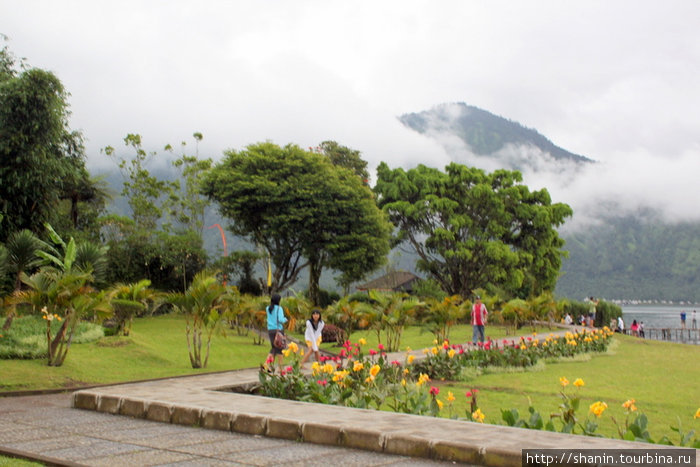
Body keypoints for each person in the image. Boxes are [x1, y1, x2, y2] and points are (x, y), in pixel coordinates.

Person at [263, 293, 287, 373]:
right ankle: (280, 368)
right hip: (278, 331)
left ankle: (266, 365)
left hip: (270, 330)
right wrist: (285, 319)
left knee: (274, 348)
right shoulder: (279, 309)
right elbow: (280, 319)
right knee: (280, 349)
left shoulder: (268, 308)